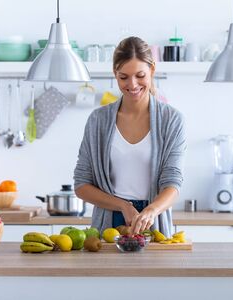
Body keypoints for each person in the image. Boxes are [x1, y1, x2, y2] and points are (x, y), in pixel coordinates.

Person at [73, 36, 186, 237]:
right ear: (115, 74)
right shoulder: (97, 120)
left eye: (140, 75)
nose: (132, 85)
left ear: (152, 70)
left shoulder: (172, 120)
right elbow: (82, 185)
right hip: (108, 222)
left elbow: (173, 183)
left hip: (153, 219)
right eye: (123, 77)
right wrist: (123, 206)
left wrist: (151, 210)